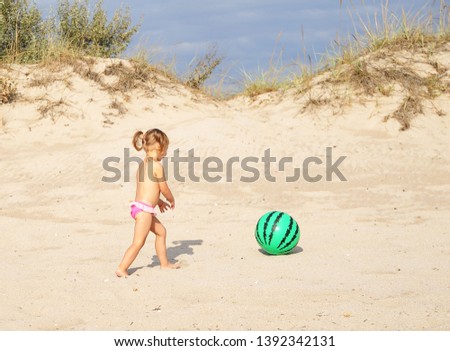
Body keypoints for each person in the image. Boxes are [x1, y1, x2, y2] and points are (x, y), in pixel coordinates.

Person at [116, 128, 180, 277]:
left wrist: (158, 202)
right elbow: (163, 187)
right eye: (165, 149)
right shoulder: (157, 166)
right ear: (159, 147)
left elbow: (147, 190)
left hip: (141, 208)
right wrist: (170, 199)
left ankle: (164, 264)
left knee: (161, 232)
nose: (165, 153)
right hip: (144, 211)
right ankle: (122, 268)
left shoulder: (143, 164)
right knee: (138, 242)